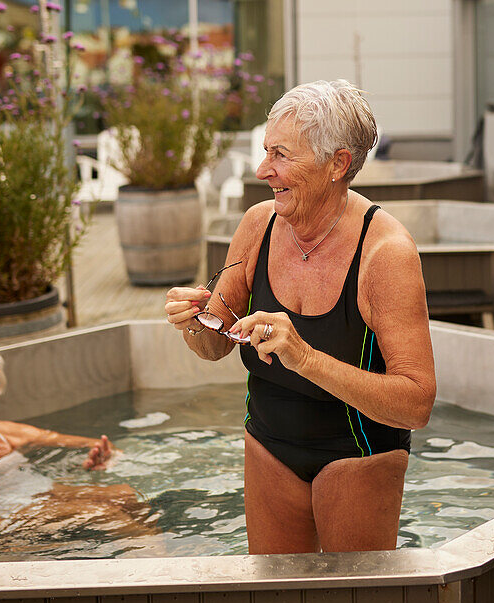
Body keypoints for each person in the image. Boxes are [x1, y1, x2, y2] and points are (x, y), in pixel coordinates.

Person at [166, 80, 436, 553]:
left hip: (356, 455)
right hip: (267, 444)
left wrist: (304, 357)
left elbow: (416, 403)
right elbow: (213, 347)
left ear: (338, 164)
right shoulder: (258, 224)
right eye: (266, 151)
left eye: (282, 155)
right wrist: (193, 322)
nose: (263, 170)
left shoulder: (385, 253)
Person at [0, 333, 128, 557]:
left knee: (125, 496)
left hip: (42, 497)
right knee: (103, 512)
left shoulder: (2, 432)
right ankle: (152, 577)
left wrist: (100, 456)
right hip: (3, 521)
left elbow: (91, 443)